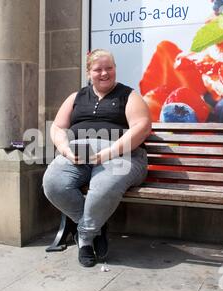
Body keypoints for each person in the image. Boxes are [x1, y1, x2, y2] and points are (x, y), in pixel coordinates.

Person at [43, 49, 151, 267]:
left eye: (109, 68)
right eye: (98, 69)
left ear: (115, 69)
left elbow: (142, 127)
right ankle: (96, 225)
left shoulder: (128, 96)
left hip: (123, 154)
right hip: (78, 153)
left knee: (103, 187)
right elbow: (57, 126)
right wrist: (65, 149)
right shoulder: (76, 97)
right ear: (88, 72)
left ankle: (84, 238)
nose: (104, 73)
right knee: (53, 183)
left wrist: (107, 154)